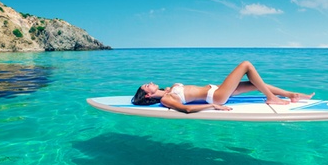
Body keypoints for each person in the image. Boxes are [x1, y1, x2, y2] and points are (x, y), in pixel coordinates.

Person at [132, 60, 314, 113]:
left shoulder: (170, 90)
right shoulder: (166, 99)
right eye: (147, 86)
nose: (150, 83)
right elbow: (186, 110)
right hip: (216, 96)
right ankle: (272, 98)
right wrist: (213, 106)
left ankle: (291, 94)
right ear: (148, 96)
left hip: (216, 89)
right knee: (246, 65)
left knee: (254, 83)